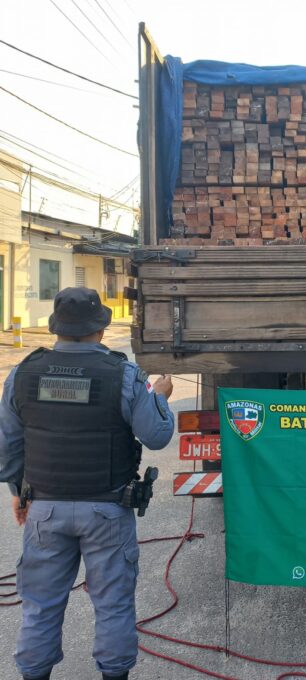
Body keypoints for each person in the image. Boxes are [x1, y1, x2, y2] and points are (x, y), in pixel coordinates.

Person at [0, 287, 175, 680]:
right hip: (106, 511)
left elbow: (7, 447)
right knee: (112, 603)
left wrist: (17, 493)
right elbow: (157, 435)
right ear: (100, 329)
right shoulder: (123, 374)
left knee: (40, 604)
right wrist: (159, 397)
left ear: (55, 329)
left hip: (44, 509)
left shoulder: (23, 373)